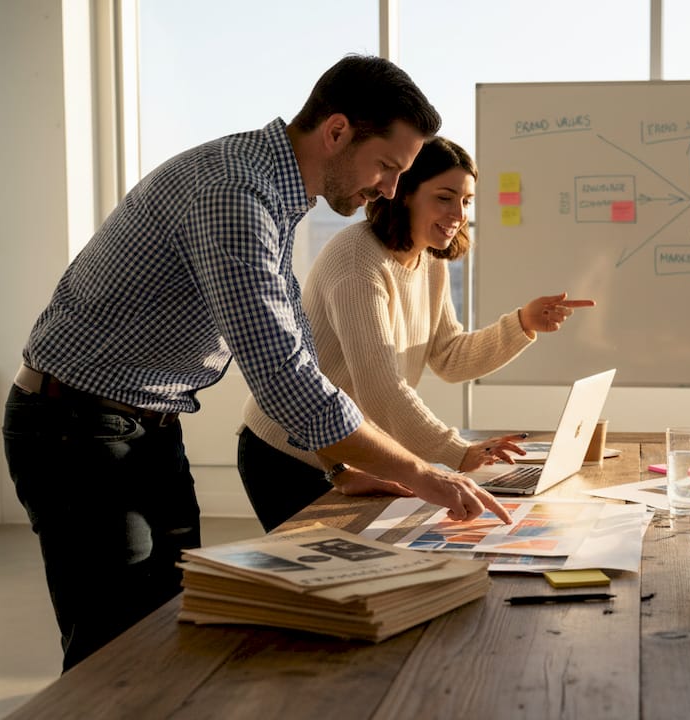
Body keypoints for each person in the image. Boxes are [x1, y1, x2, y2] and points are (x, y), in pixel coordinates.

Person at [1, 55, 512, 673]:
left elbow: (293, 340)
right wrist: (428, 474)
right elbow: (281, 374)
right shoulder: (236, 193)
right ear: (337, 131)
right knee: (115, 648)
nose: (388, 189)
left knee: (165, 626)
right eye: (386, 166)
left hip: (145, 423)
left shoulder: (273, 190)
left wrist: (336, 463)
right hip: (74, 426)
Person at [238, 136, 595, 531]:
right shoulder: (357, 259)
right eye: (445, 197)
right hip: (287, 453)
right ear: (405, 194)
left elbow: (449, 357)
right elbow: (381, 388)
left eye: (467, 200)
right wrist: (456, 452)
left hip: (344, 454)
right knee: (319, 583)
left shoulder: (429, 262)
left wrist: (522, 324)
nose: (459, 213)